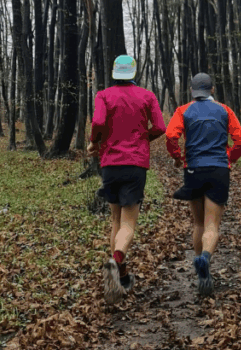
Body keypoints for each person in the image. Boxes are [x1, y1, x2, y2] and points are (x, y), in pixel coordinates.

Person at [87, 54, 166, 304]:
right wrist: (144, 139)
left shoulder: (104, 95)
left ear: (114, 73)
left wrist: (94, 142)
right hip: (135, 165)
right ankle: (116, 261)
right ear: (133, 73)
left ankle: (120, 275)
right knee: (128, 224)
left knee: (115, 221)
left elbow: (99, 121)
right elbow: (160, 127)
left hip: (110, 163)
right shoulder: (147, 96)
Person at [165, 73, 241, 296]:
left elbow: (171, 136)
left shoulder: (183, 111)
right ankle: (205, 260)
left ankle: (201, 270)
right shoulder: (224, 110)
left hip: (193, 170)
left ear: (192, 91)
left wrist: (177, 157)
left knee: (198, 223)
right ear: (212, 90)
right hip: (219, 169)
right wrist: (230, 157)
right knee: (212, 226)